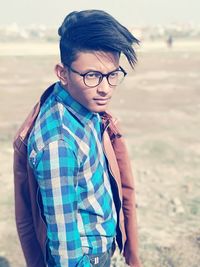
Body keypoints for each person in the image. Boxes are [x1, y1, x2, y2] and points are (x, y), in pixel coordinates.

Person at [13, 9, 141, 267]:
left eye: (113, 74)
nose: (104, 88)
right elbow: (66, 247)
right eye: (92, 75)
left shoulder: (85, 106)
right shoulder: (58, 144)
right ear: (62, 73)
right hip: (87, 258)